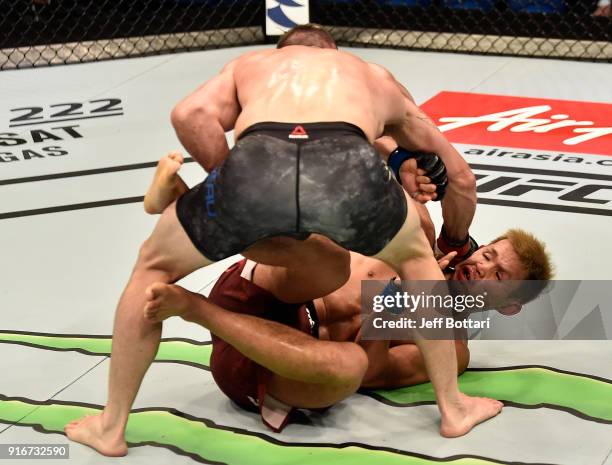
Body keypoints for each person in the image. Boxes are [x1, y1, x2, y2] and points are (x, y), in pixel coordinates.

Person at [65, 24, 503, 456]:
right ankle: (454, 409)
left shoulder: (250, 64)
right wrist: (455, 237)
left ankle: (111, 426)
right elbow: (461, 178)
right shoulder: (370, 73)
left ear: (282, 51)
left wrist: (226, 184)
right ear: (334, 52)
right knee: (415, 260)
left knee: (153, 268)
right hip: (345, 164)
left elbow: (188, 115)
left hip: (260, 159)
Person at [139, 151, 552, 432]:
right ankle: (188, 205)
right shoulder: (417, 247)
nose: (482, 268)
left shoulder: (452, 351)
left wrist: (386, 314)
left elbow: (370, 376)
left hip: (275, 363)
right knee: (334, 259)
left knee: (347, 371)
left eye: (498, 278)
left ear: (509, 307)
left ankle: (192, 308)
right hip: (264, 289)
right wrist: (405, 164)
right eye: (489, 255)